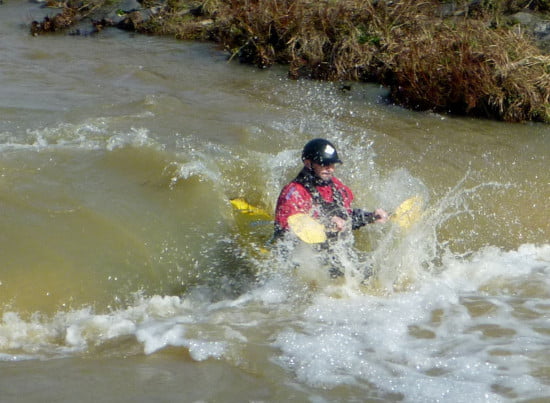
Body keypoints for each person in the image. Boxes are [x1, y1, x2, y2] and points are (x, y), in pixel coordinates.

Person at [274, 138, 388, 241]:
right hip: (300, 250)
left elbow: (346, 216)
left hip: (330, 247)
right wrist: (326, 222)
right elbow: (287, 227)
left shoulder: (336, 186)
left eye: (332, 164)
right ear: (308, 163)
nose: (330, 169)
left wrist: (370, 217)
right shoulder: (294, 191)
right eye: (324, 164)